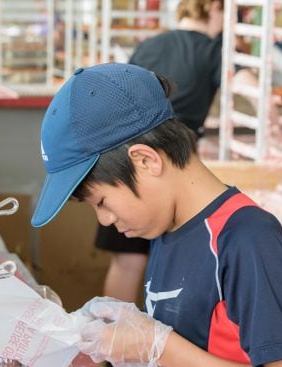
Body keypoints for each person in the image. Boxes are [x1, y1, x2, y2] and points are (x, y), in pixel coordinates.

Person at [31, 63, 282, 367]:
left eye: (102, 202)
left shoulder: (247, 241)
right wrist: (132, 339)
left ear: (146, 160)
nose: (105, 220)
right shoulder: (166, 229)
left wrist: (161, 347)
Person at [96, 0, 224, 305]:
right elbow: (246, 86)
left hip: (124, 156)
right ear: (214, 8)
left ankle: (114, 349)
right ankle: (164, 348)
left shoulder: (151, 44)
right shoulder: (214, 50)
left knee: (126, 261)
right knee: (177, 263)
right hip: (173, 165)